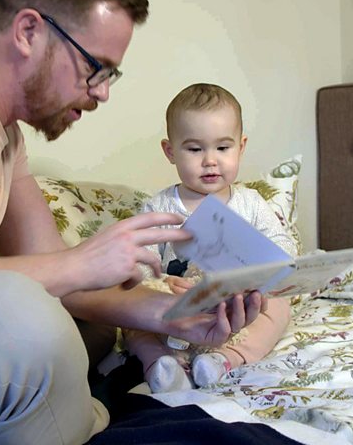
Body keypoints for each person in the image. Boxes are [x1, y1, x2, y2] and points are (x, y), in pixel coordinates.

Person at [0, 0, 265, 445]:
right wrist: (81, 261)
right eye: (94, 66)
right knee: (20, 312)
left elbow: (64, 280)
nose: (102, 91)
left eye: (111, 74)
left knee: (91, 323)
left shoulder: (5, 135)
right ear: (28, 31)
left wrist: (174, 314)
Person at [124, 83, 296, 393]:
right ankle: (161, 365)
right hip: (175, 309)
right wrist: (158, 283)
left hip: (236, 312)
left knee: (279, 308)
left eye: (223, 147)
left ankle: (223, 361)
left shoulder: (251, 203)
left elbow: (284, 247)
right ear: (170, 151)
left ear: (240, 147)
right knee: (128, 317)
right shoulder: (160, 207)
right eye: (194, 149)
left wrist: (260, 270)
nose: (210, 160)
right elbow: (139, 263)